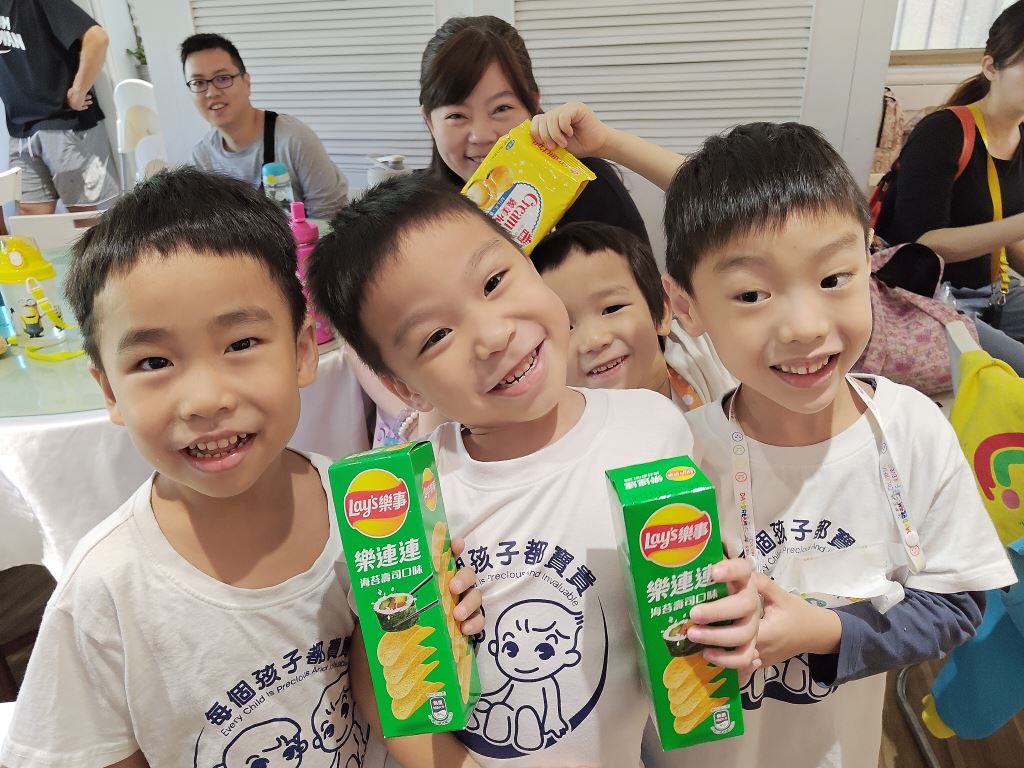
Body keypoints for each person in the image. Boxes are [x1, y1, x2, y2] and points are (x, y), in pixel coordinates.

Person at [530, 102, 1016, 768]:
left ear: (869, 263)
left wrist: (824, 631)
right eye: (752, 296)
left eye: (833, 279)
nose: (804, 326)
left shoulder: (911, 429)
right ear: (687, 307)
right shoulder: (673, 451)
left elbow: (956, 604)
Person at [0, 168, 484, 768]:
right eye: (154, 362)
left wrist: (437, 623)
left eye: (241, 344)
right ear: (108, 391)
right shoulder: (105, 593)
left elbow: (410, 703)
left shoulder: (372, 517)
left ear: (303, 350)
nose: (206, 400)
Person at [305, 173, 760, 767]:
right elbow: (384, 687)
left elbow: (702, 592)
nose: (494, 335)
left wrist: (733, 615)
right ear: (403, 387)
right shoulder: (412, 500)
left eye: (495, 282)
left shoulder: (654, 428)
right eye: (436, 336)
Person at [875, 1, 1024, 361]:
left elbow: (1012, 241)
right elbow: (924, 241)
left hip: (996, 291)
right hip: (928, 298)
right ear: (991, 67)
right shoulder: (943, 132)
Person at [418, 15, 650, 245]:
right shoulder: (412, 213)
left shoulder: (588, 183)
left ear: (532, 103)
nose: (481, 136)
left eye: (501, 108)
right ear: (429, 120)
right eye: (456, 115)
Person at [531, 221, 734, 409]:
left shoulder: (707, 352)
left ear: (662, 309)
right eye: (566, 326)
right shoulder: (571, 429)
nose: (594, 340)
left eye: (612, 308)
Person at [182, 33, 349, 219]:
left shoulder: (293, 139)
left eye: (222, 78)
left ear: (247, 82)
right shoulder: (202, 158)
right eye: (198, 83)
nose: (211, 93)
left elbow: (330, 219)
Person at [0, 0, 119, 218]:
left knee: (89, 218)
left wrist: (78, 92)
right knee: (30, 221)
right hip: (21, 132)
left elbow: (97, 38)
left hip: (63, 124)